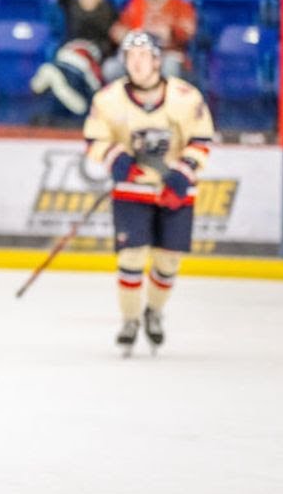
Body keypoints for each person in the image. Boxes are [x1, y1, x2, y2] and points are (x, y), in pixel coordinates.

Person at [83, 31, 213, 356]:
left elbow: (202, 139)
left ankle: (153, 311)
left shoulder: (186, 96)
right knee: (131, 256)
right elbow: (94, 139)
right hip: (132, 190)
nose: (137, 63)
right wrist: (117, 160)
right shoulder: (108, 99)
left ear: (157, 60)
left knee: (168, 261)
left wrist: (183, 174)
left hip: (174, 191)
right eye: (131, 57)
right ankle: (130, 320)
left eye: (144, 56)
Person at [30, 0, 117, 119]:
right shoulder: (72, 6)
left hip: (91, 57)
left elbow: (110, 38)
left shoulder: (108, 10)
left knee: (69, 57)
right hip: (69, 53)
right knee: (67, 55)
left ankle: (51, 74)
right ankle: (75, 101)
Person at [108, 0, 195, 80]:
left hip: (167, 55)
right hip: (137, 55)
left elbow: (188, 32)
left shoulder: (181, 6)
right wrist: (121, 33)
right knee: (111, 68)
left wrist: (170, 32)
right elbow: (118, 29)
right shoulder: (136, 6)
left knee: (170, 68)